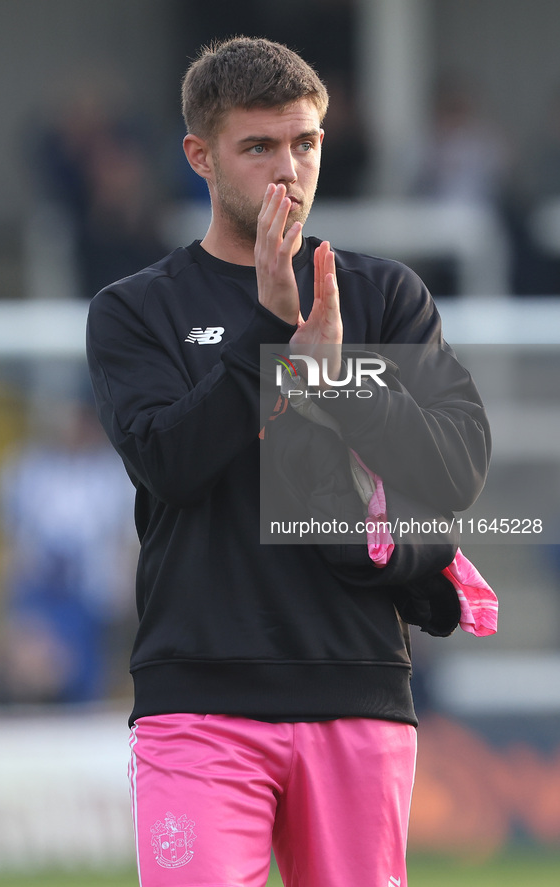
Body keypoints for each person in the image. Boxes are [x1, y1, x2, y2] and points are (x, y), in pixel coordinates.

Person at [86, 37, 491, 887]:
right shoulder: (135, 309)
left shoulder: (383, 295)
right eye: (259, 146)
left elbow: (451, 468)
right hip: (196, 698)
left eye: (303, 142)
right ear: (200, 155)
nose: (289, 168)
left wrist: (335, 378)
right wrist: (274, 340)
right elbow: (168, 462)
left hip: (355, 688)